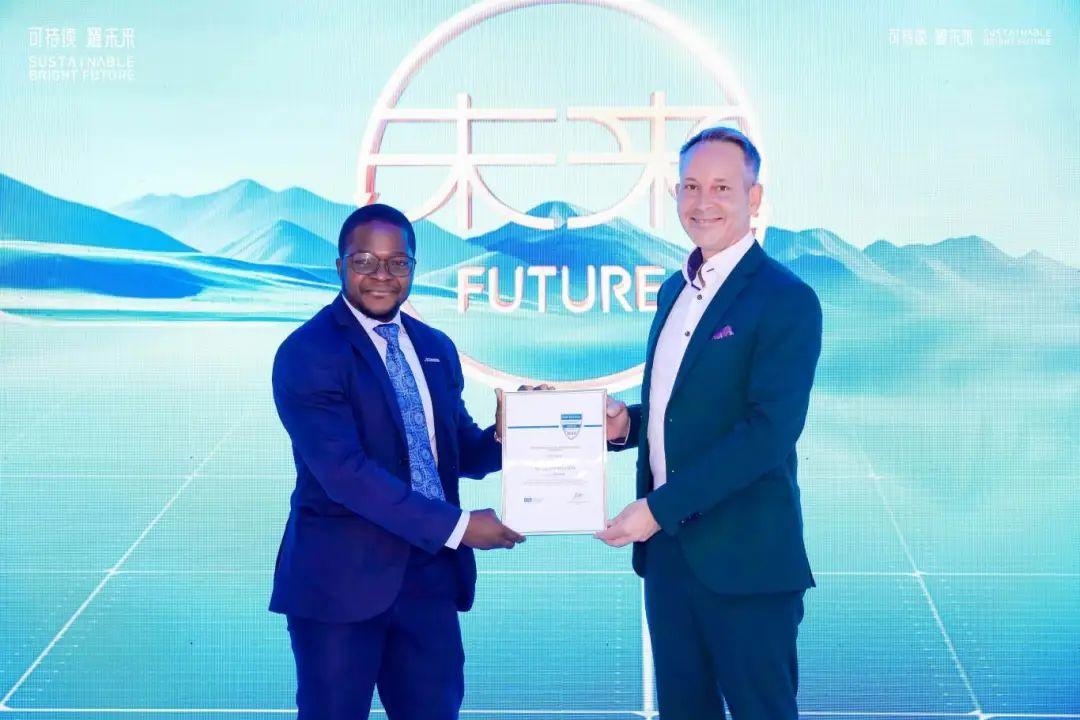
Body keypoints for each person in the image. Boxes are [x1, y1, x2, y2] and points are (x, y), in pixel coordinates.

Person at [597, 126, 823, 719]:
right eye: (691, 186)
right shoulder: (674, 289)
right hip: (669, 560)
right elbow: (686, 412)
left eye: (722, 187)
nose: (703, 202)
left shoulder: (786, 298)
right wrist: (626, 427)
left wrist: (658, 508)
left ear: (754, 197)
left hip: (746, 564)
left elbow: (767, 432)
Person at [270, 203, 526, 720]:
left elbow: (458, 452)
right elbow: (346, 476)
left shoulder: (434, 347)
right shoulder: (308, 352)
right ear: (340, 265)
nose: (382, 275)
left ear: (413, 266)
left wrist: (513, 432)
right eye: (365, 261)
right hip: (341, 587)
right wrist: (459, 526)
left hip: (429, 579)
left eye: (397, 262)